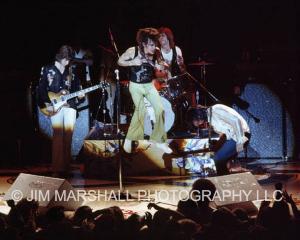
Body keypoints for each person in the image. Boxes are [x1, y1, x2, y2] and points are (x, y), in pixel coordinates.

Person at [117, 27, 172, 154]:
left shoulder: (156, 52)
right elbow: (120, 61)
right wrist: (132, 62)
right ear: (143, 43)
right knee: (141, 109)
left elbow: (160, 65)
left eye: (155, 44)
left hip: (148, 85)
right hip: (135, 85)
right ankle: (129, 140)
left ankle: (159, 140)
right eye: (151, 45)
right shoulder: (133, 51)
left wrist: (160, 66)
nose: (154, 47)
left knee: (160, 109)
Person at [37, 45, 85, 177]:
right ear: (61, 57)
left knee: (68, 135)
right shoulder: (47, 69)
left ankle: (66, 167)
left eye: (69, 59)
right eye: (66, 59)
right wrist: (47, 103)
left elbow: (77, 88)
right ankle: (57, 168)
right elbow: (41, 88)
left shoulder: (72, 71)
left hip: (70, 105)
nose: (68, 62)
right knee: (58, 135)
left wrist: (81, 96)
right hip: (55, 104)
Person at [190, 104, 250, 175]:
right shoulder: (210, 119)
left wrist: (240, 141)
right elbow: (225, 134)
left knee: (218, 159)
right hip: (234, 138)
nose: (199, 124)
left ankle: (224, 180)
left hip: (241, 135)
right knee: (218, 160)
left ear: (198, 116)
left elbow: (235, 121)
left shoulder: (215, 110)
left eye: (197, 121)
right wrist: (216, 147)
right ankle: (226, 180)